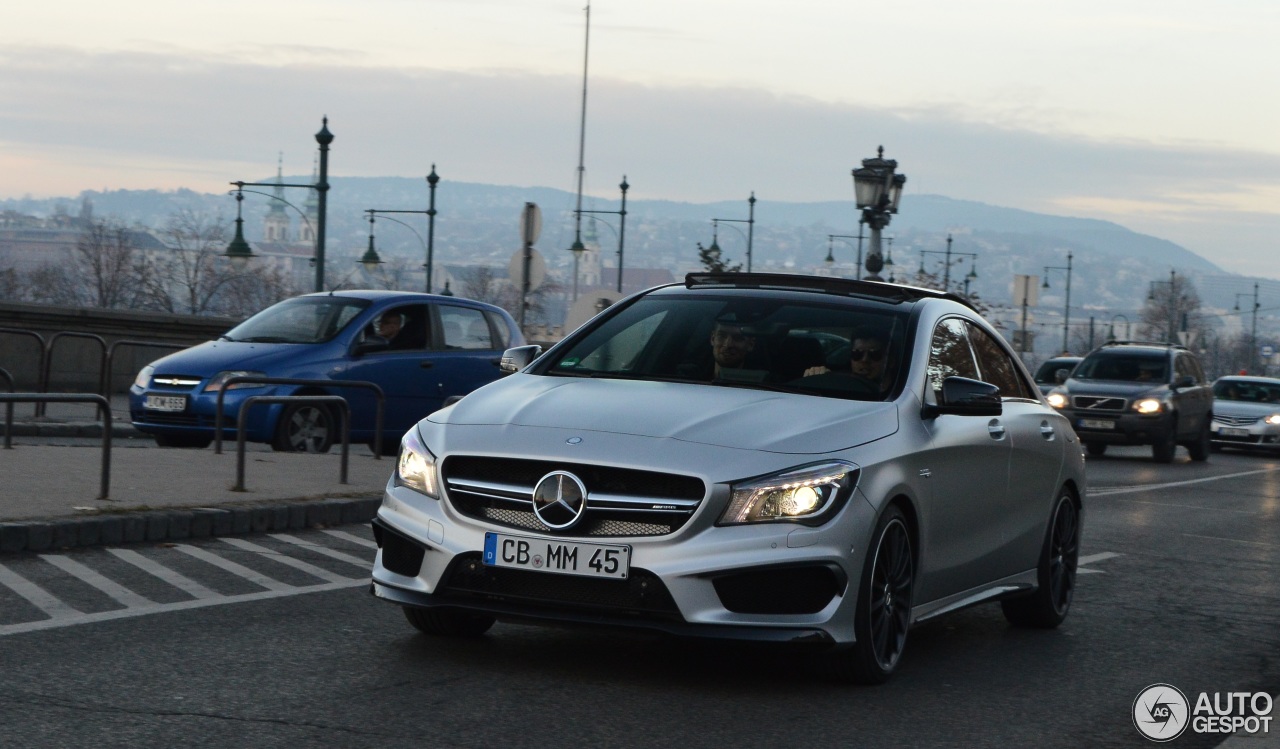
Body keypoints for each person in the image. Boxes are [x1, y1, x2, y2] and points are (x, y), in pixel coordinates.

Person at [803, 327, 893, 395]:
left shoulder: (900, 393)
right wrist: (817, 378)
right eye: (857, 354)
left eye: (874, 354)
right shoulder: (839, 384)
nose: (864, 360)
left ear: (891, 360)